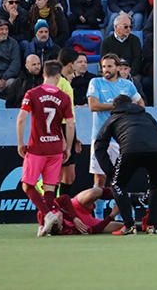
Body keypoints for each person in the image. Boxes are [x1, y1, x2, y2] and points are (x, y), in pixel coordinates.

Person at [92, 94, 157, 235]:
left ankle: (129, 225)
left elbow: (99, 146)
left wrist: (110, 171)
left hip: (130, 150)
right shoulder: (147, 116)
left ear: (115, 107)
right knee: (156, 185)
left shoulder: (113, 118)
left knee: (116, 184)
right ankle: (152, 225)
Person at [16, 59, 75, 236]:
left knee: (28, 185)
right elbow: (70, 124)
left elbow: (21, 119)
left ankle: (48, 214)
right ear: (58, 76)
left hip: (37, 147)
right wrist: (69, 148)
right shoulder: (64, 97)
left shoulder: (32, 93)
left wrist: (20, 142)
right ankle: (43, 225)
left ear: (44, 74)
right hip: (56, 147)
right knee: (49, 188)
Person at [86, 54, 143, 187]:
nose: (106, 69)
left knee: (121, 180)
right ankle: (98, 209)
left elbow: (140, 105)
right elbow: (93, 106)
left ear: (117, 68)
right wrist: (119, 106)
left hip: (121, 139)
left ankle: (120, 208)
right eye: (104, 66)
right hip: (101, 138)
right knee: (100, 179)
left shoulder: (127, 85)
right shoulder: (96, 82)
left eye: (109, 66)